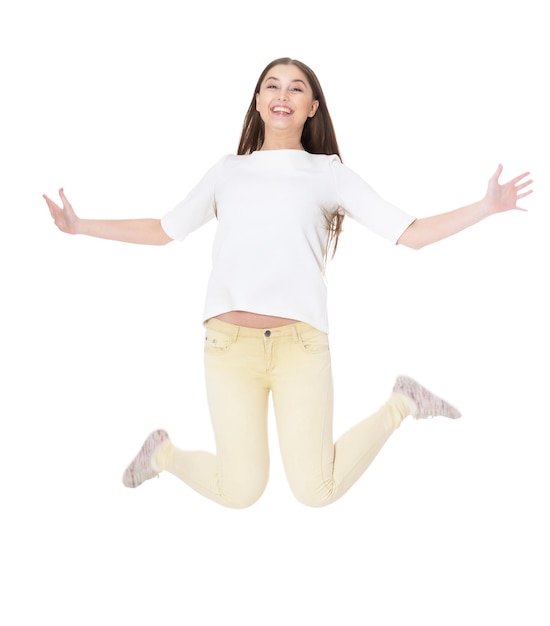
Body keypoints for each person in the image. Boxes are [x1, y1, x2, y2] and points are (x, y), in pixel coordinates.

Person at [44, 57, 533, 508]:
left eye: (296, 88)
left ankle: (402, 403)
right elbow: (162, 230)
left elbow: (413, 233)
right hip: (229, 348)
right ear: (258, 101)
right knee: (239, 491)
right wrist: (81, 225)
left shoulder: (328, 174)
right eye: (272, 85)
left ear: (311, 107)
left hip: (300, 347)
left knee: (317, 490)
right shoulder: (227, 172)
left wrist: (485, 207)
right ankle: (163, 455)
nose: (283, 94)